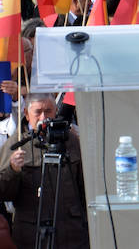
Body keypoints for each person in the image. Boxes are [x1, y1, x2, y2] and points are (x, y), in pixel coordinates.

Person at [0, 94, 87, 249]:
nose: (43, 117)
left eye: (48, 111)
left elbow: (85, 188)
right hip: (33, 236)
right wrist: (12, 170)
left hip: (72, 235)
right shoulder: (16, 144)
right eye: (38, 112)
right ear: (26, 113)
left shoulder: (70, 140)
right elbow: (4, 194)